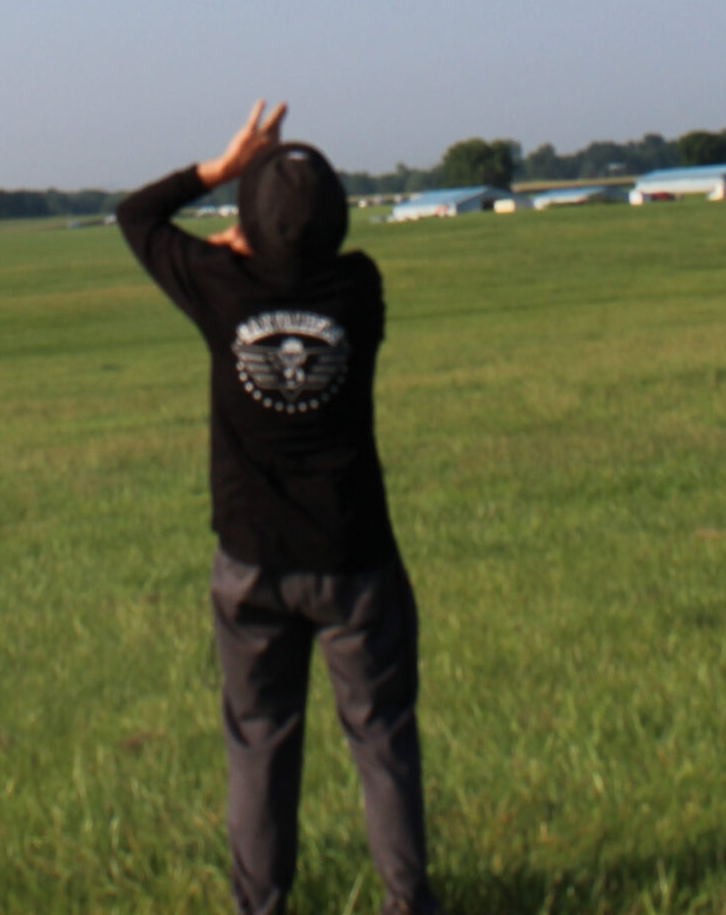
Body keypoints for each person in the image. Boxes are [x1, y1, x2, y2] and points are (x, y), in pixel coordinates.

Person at [117, 99, 442, 915]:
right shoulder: (359, 288)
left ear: (249, 223)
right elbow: (311, 259)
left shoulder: (219, 287)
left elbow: (136, 216)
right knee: (381, 737)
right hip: (353, 559)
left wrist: (219, 172)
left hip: (251, 562)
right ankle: (409, 903)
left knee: (259, 743)